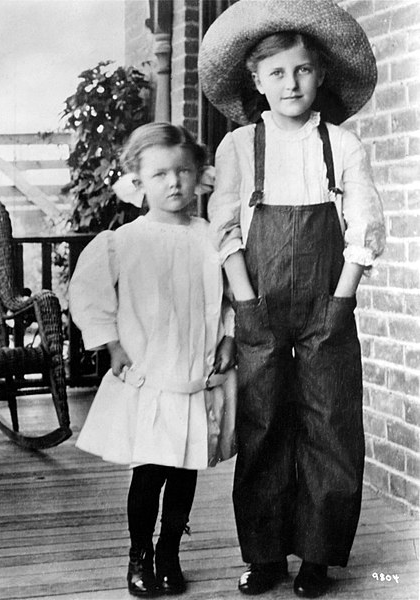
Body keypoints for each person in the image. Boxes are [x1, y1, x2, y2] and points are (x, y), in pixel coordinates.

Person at [199, 0, 386, 597]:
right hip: (258, 301)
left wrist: (342, 300)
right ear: (255, 82)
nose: (291, 83)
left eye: (302, 70)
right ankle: (265, 556)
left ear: (321, 75)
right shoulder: (237, 147)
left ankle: (317, 556)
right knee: (263, 423)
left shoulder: (341, 144)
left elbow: (365, 228)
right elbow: (224, 229)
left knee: (330, 421)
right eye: (276, 73)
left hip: (328, 302)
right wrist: (245, 302)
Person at [69, 122, 236, 597]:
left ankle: (169, 552)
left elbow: (228, 297)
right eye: (160, 174)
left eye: (183, 171)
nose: (174, 183)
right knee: (150, 472)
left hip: (194, 374)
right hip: (149, 373)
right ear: (138, 181)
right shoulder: (124, 241)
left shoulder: (210, 236)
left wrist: (230, 337)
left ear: (199, 175)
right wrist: (113, 344)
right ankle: (139, 553)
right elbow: (90, 296)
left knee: (184, 471)